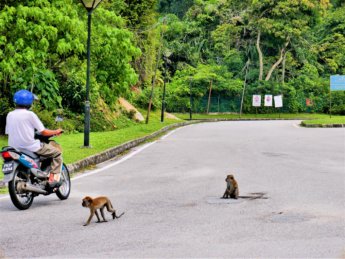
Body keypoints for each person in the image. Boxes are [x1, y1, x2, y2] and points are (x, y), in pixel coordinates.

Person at [5, 89, 63, 188]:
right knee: (56, 153)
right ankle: (52, 179)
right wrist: (56, 131)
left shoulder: (10, 114)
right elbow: (43, 132)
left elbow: (8, 132)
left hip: (14, 147)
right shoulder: (30, 114)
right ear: (29, 102)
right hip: (30, 147)